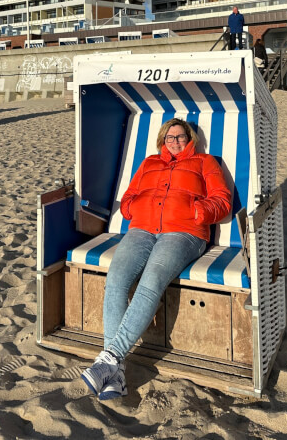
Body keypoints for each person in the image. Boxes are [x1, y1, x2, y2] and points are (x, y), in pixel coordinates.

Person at [81, 118, 232, 400]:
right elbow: (128, 197)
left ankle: (110, 358)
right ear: (162, 140)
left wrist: (197, 212)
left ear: (191, 139)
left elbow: (222, 201)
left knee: (151, 280)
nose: (175, 141)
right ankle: (116, 373)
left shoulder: (205, 162)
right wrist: (132, 208)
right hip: (142, 229)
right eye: (170, 137)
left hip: (184, 232)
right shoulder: (150, 162)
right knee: (116, 279)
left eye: (180, 137)